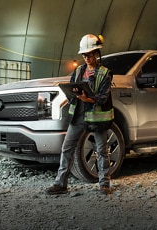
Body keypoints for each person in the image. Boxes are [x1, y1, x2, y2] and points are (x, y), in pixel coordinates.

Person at [46, 34, 114, 195]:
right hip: (78, 115)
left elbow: (104, 97)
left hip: (97, 117)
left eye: (89, 55)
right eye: (84, 55)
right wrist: (72, 95)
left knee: (102, 150)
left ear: (96, 53)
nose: (87, 58)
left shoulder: (105, 73)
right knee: (67, 148)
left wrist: (88, 98)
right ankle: (60, 184)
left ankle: (104, 183)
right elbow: (72, 88)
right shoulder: (78, 70)